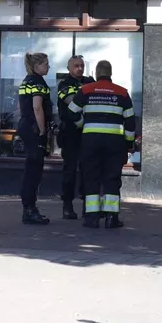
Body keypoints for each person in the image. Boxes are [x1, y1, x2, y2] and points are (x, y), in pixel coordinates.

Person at [68, 60, 135, 229]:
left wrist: (82, 124)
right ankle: (112, 218)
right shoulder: (122, 93)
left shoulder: (86, 90)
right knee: (112, 179)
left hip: (90, 142)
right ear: (110, 73)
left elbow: (71, 112)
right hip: (115, 143)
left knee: (91, 178)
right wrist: (129, 144)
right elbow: (130, 122)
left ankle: (92, 218)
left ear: (97, 73)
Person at [56, 55, 95, 219]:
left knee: (89, 170)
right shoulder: (64, 84)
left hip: (88, 133)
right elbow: (73, 104)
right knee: (70, 171)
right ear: (69, 68)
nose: (80, 68)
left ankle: (88, 206)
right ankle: (67, 205)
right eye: (76, 66)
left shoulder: (89, 81)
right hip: (70, 132)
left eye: (82, 65)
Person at [18, 52, 53, 225]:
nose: (48, 67)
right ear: (36, 66)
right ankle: (30, 210)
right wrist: (42, 130)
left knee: (31, 168)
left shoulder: (26, 81)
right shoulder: (38, 82)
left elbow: (22, 106)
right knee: (34, 170)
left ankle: (28, 208)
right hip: (34, 128)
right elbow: (37, 107)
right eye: (46, 64)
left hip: (25, 125)